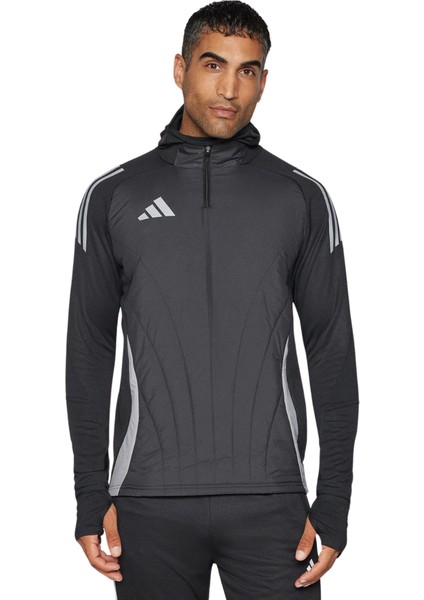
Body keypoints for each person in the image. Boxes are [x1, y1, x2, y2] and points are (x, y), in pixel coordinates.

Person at [65, 1, 360, 598]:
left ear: (264, 81)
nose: (230, 89)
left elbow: (331, 350)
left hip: (273, 501)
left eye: (247, 70)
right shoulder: (114, 196)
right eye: (213, 64)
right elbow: (90, 349)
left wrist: (334, 500)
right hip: (147, 500)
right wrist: (91, 494)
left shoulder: (300, 198)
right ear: (180, 69)